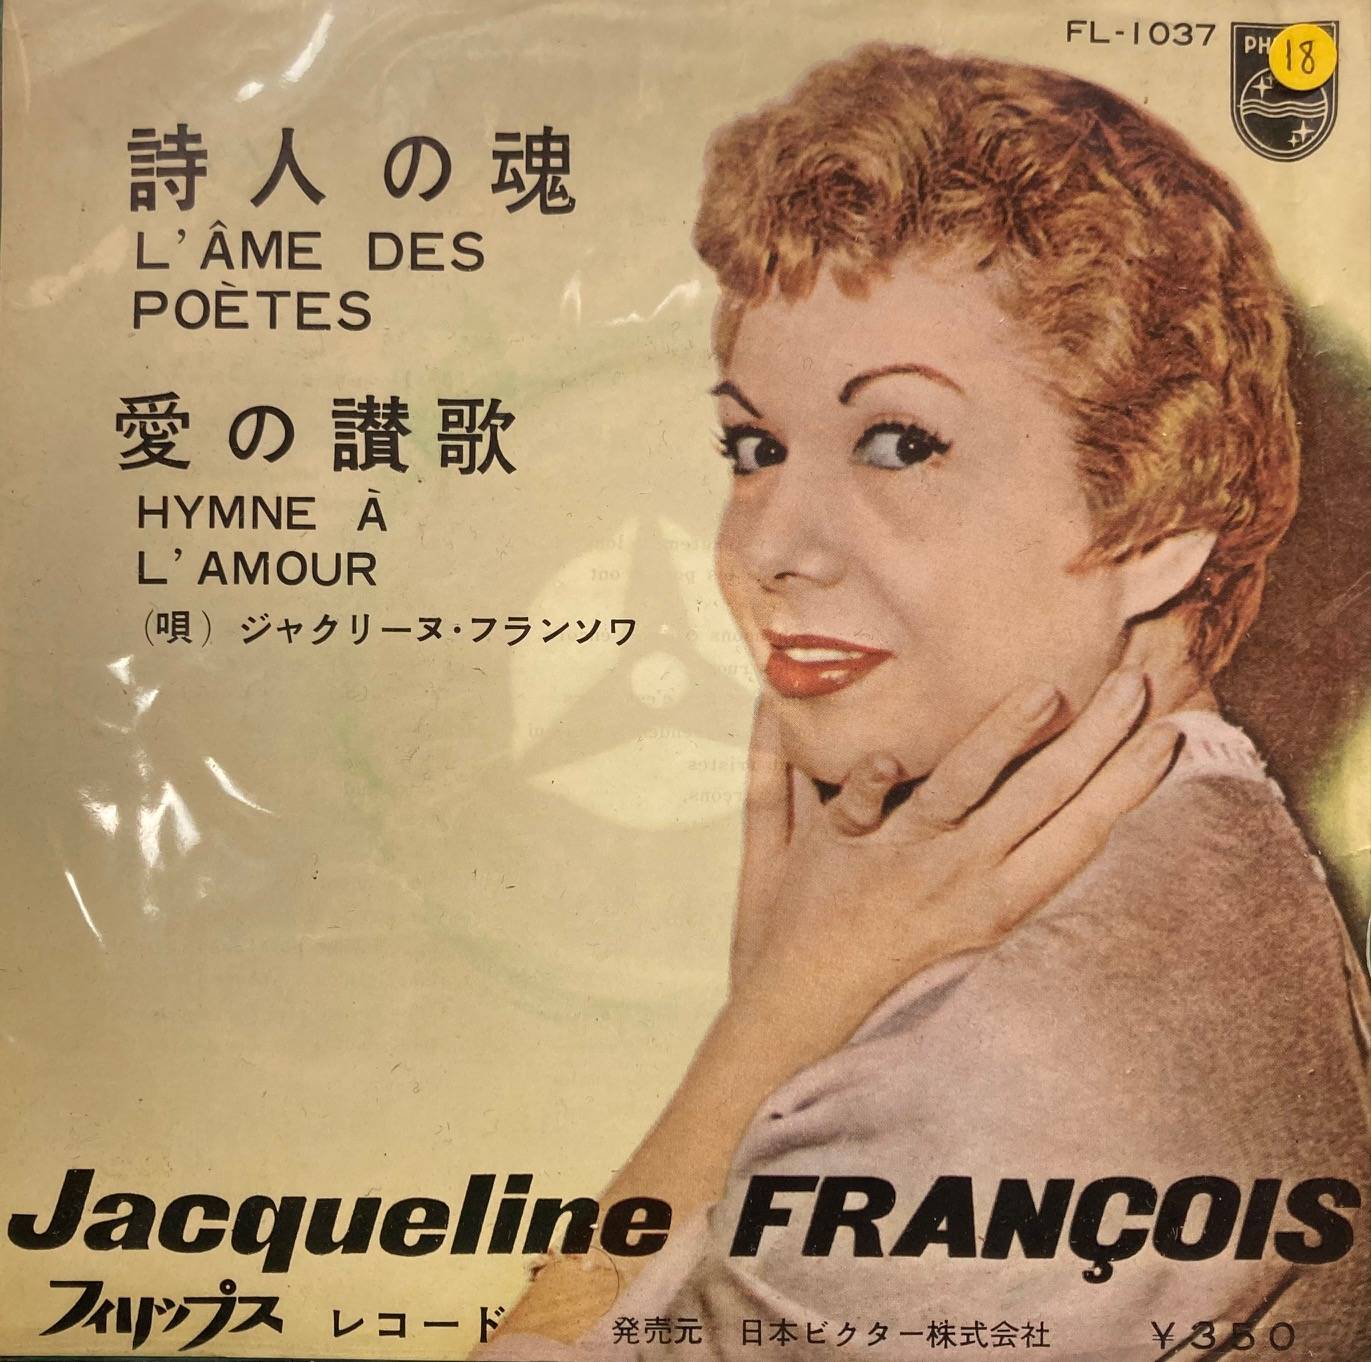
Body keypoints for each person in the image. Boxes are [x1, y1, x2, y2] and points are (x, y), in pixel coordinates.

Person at [480, 43, 1371, 1360]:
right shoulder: (1212, 854)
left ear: (1157, 520)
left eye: (899, 442)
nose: (768, 546)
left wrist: (764, 1032)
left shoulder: (1002, 1070)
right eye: (754, 446)